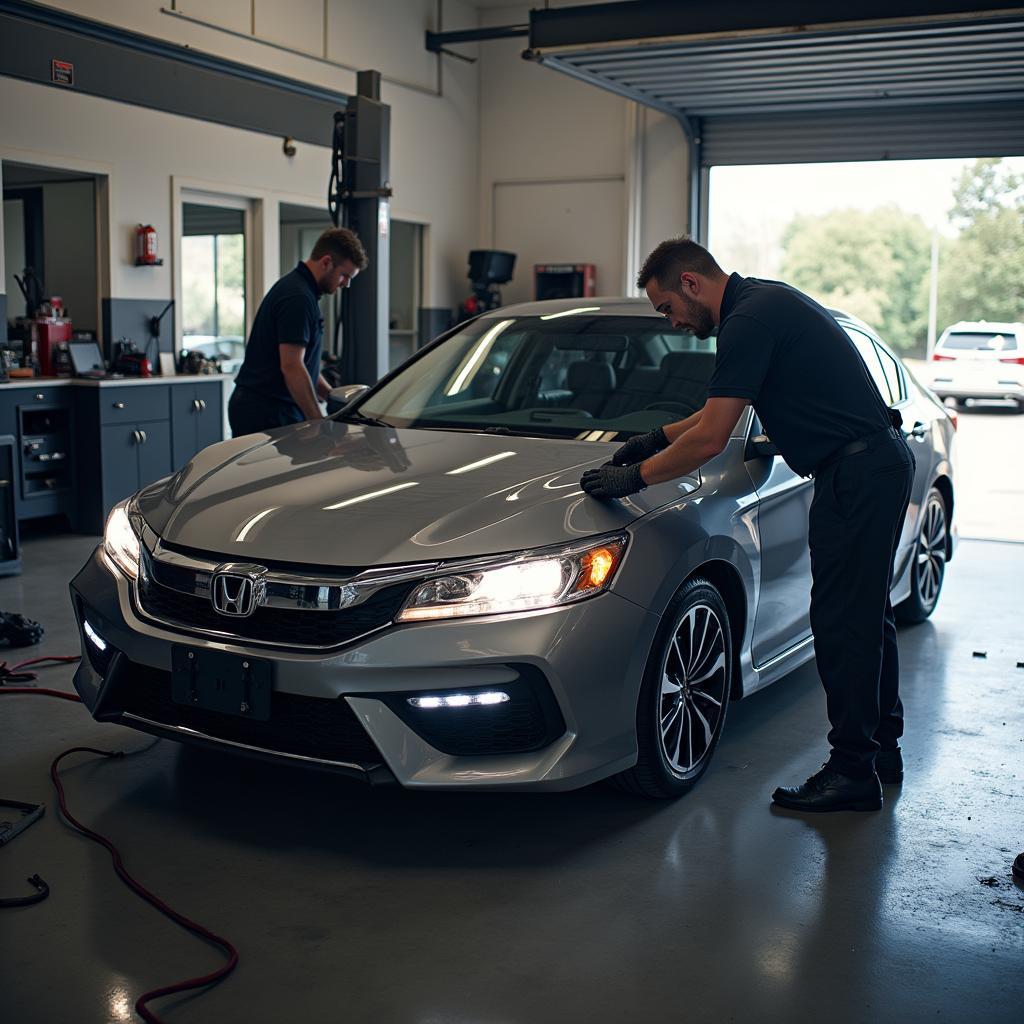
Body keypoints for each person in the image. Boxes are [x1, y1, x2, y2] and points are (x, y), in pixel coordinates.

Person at [581, 237, 915, 813]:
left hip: (856, 474)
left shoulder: (746, 322)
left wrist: (632, 480)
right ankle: (880, 751)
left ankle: (852, 772)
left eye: (667, 308)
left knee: (843, 625)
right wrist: (653, 440)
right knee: (865, 617)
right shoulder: (760, 304)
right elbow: (710, 417)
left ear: (690, 283)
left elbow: (713, 440)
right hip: (870, 466)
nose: (674, 322)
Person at [228, 227, 368, 436]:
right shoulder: (298, 298)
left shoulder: (302, 291)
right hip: (266, 411)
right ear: (326, 262)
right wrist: (318, 422)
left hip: (273, 407)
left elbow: (305, 364)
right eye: (344, 276)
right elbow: (292, 366)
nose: (345, 284)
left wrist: (331, 397)